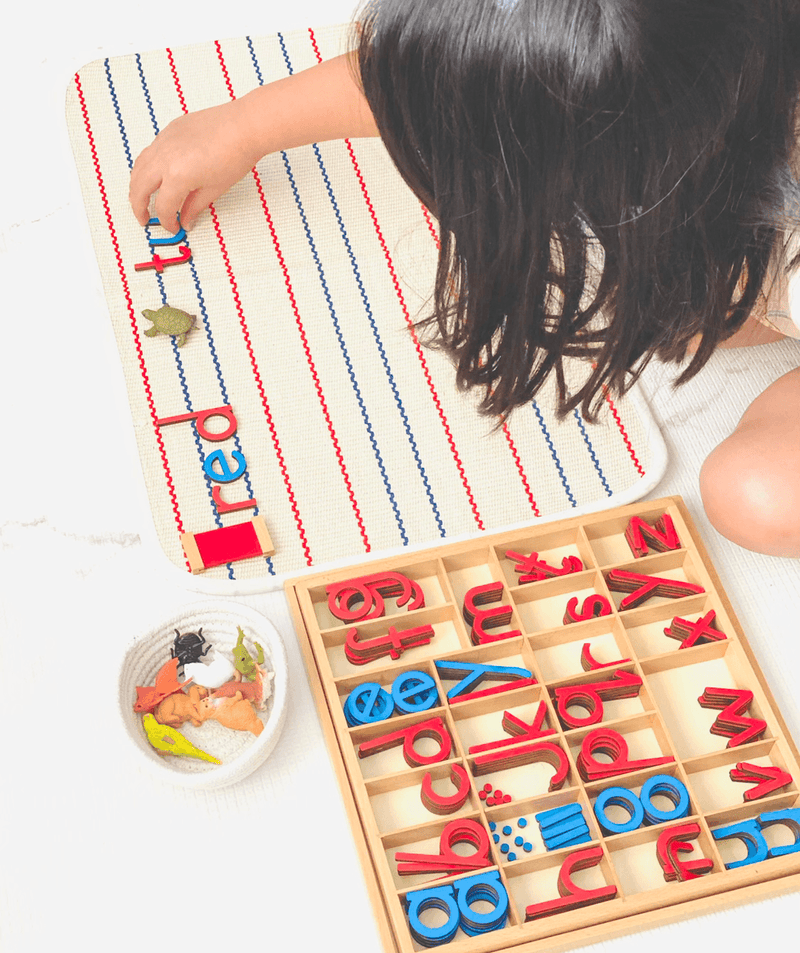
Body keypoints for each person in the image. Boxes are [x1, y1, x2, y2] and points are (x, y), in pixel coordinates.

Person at [129, 0, 800, 557]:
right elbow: (472, 73)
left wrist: (722, 310)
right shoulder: (680, 61)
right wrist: (244, 124)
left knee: (754, 492)